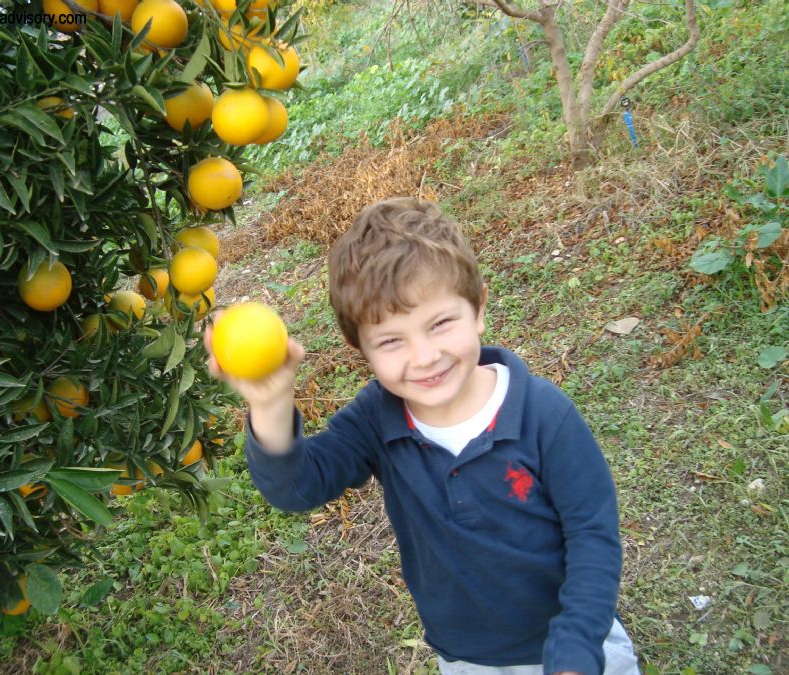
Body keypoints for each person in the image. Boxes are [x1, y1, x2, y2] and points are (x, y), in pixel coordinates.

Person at [205, 197, 640, 675]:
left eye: (440, 323)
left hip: (574, 642)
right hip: (467, 656)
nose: (425, 356)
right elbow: (297, 487)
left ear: (478, 309)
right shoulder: (377, 420)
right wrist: (269, 403)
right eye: (392, 340)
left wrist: (576, 649)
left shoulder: (543, 414)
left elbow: (592, 534)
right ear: (361, 349)